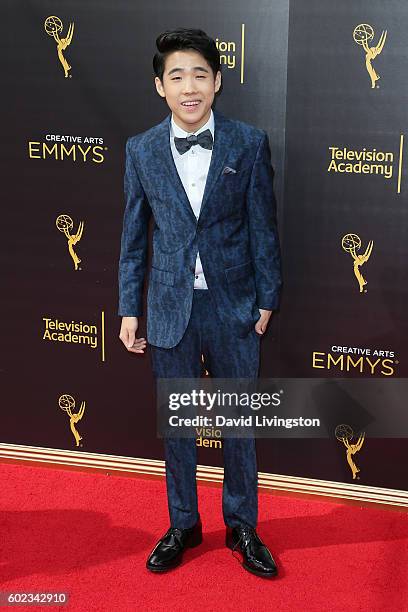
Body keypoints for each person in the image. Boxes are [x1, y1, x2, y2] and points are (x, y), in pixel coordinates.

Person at [118, 27, 282, 578]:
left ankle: (242, 526)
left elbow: (264, 227)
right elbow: (133, 238)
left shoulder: (248, 142)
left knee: (239, 425)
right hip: (169, 308)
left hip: (234, 306)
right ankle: (183, 523)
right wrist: (128, 308)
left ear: (217, 81)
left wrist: (267, 299)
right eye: (176, 76)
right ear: (159, 86)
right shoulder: (140, 149)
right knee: (178, 426)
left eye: (200, 75)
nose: (189, 87)